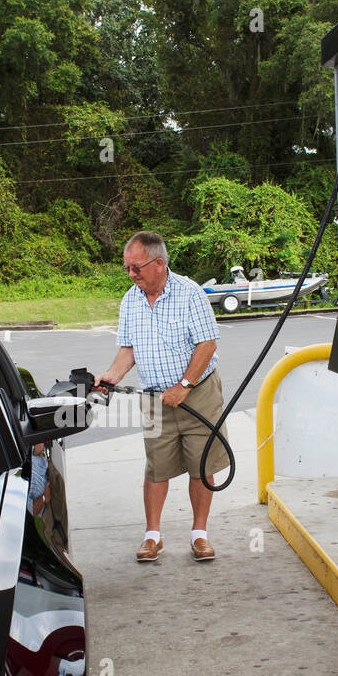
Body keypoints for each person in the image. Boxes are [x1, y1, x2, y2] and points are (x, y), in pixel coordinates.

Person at [95, 231, 230, 562]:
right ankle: (152, 536)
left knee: (202, 463)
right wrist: (111, 376)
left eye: (136, 267)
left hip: (197, 395)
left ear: (158, 263)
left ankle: (199, 534)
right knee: (156, 467)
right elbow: (128, 349)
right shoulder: (131, 299)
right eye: (127, 268)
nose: (131, 274)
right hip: (155, 400)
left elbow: (207, 344)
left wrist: (184, 385)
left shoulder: (190, 294)